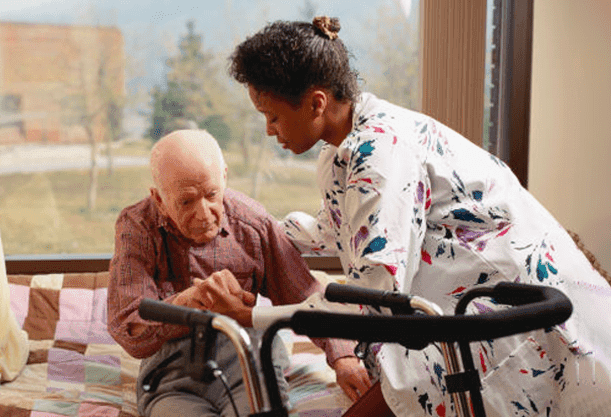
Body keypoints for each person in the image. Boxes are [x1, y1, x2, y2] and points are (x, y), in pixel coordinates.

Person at [228, 16, 611, 417]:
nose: (269, 130)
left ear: (316, 103)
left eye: (271, 116)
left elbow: (375, 297)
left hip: (517, 314)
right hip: (477, 313)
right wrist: (250, 224)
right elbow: (336, 230)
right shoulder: (341, 149)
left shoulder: (380, 152)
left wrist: (255, 314)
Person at [106, 129, 371, 417]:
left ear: (224, 177)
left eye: (211, 194)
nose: (204, 212)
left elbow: (306, 293)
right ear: (158, 198)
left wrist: (344, 356)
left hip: (247, 361)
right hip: (171, 375)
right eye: (186, 201)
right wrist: (189, 303)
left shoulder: (252, 222)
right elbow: (128, 327)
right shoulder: (137, 226)